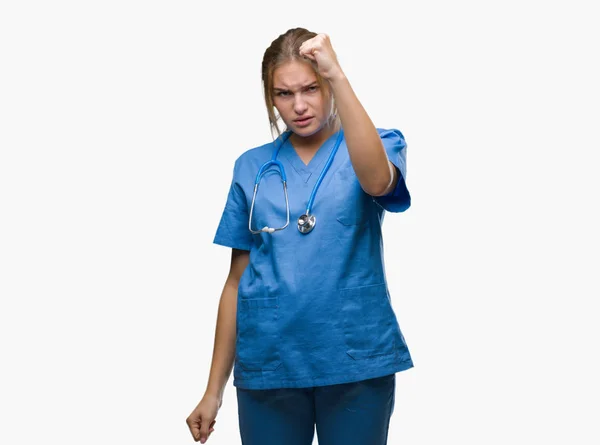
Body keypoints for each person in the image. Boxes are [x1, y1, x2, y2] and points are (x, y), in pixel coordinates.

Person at [186, 27, 413, 445]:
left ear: (328, 83)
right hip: (269, 363)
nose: (299, 105)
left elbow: (379, 181)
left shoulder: (377, 144)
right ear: (270, 97)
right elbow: (236, 282)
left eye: (311, 88)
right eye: (284, 94)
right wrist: (212, 391)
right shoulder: (251, 167)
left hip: (354, 359)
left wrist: (339, 74)